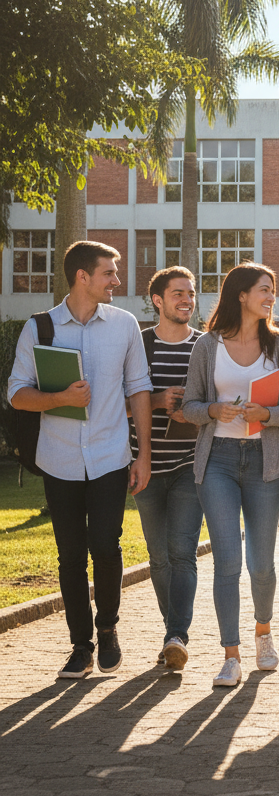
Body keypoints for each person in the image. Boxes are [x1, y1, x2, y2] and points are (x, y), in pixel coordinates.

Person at [8, 240, 152, 679]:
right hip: (60, 459)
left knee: (106, 547)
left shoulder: (124, 324)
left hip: (110, 456)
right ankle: (80, 645)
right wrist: (58, 398)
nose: (117, 280)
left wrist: (142, 453)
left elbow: (139, 390)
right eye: (109, 272)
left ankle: (107, 628)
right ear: (82, 277)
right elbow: (16, 393)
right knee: (70, 555)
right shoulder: (40, 328)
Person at [181, 263, 279, 688]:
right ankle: (230, 654)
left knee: (261, 563)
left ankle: (263, 632)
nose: (270, 297)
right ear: (241, 295)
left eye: (273, 289)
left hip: (264, 461)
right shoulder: (207, 346)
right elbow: (189, 406)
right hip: (219, 461)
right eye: (263, 290)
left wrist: (265, 414)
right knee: (227, 561)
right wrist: (214, 410)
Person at [128, 266, 204, 672]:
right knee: (158, 557)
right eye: (178, 294)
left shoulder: (206, 346)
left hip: (192, 464)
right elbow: (114, 402)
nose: (187, 300)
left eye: (190, 294)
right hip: (146, 464)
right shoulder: (138, 345)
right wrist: (156, 402)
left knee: (183, 553)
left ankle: (177, 636)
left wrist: (196, 413)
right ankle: (171, 629)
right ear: (157, 300)